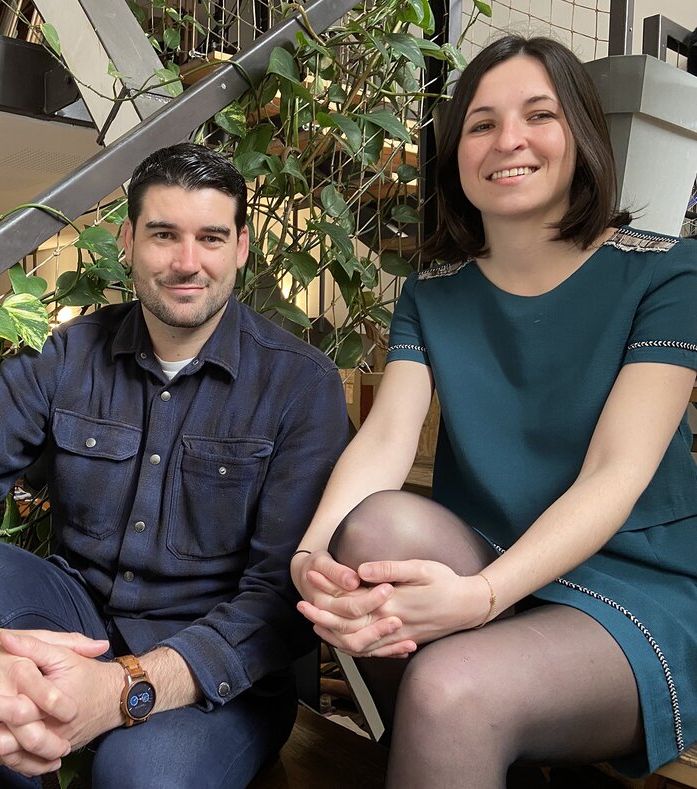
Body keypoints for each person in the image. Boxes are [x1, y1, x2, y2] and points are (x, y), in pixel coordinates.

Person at [0, 142, 349, 788]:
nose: (186, 261)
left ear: (241, 248)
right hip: (79, 620)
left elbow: (277, 603)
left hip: (218, 676)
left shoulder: (299, 384)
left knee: (137, 774)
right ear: (127, 240)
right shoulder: (71, 354)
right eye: (163, 234)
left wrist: (123, 686)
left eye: (210, 237)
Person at [292, 35, 697, 787]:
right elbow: (386, 437)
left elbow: (619, 470)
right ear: (455, 153)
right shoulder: (432, 294)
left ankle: (471, 739)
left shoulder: (667, 270)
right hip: (483, 556)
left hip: (630, 585)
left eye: (537, 115)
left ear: (581, 135)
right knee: (368, 532)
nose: (507, 140)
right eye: (481, 123)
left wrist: (481, 598)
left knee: (449, 691)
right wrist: (310, 554)